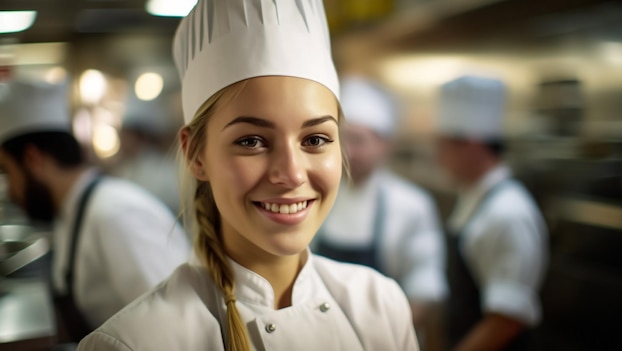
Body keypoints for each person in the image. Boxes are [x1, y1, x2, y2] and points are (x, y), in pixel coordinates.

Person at [77, 0, 419, 350]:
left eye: (315, 139)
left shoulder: (380, 306)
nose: (290, 173)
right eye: (252, 141)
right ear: (195, 154)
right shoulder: (133, 343)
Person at [0, 79, 191, 341]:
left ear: (33, 159)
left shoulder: (114, 214)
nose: (10, 191)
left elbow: (180, 330)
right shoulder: (74, 213)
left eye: (8, 173)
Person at [313, 76, 447, 333]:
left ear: (385, 145)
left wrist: (379, 334)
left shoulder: (411, 204)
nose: (349, 151)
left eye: (359, 141)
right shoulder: (318, 194)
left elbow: (425, 286)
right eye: (343, 139)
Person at [434, 75, 548, 351]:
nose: (438, 155)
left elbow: (506, 319)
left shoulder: (508, 213)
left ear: (472, 146)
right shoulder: (474, 196)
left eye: (444, 145)